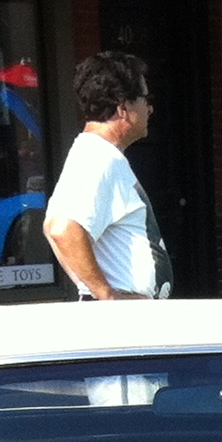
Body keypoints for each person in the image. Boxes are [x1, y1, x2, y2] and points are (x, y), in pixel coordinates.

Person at [45, 51, 156, 301]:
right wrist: (106, 295)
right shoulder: (99, 157)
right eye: (145, 99)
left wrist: (91, 288)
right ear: (123, 107)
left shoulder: (95, 153)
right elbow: (62, 229)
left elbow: (52, 227)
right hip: (118, 316)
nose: (150, 108)